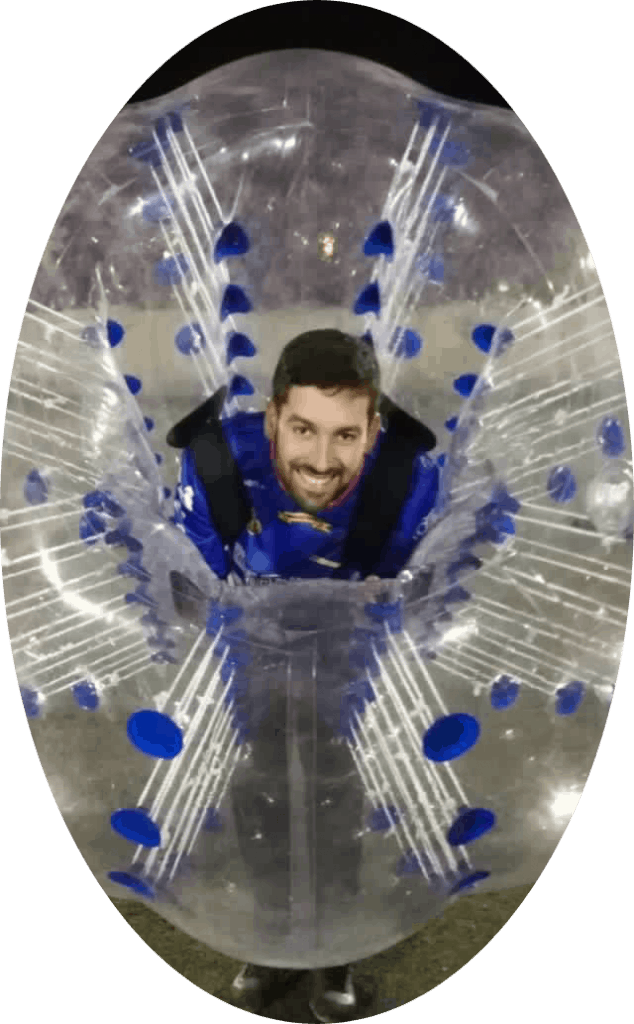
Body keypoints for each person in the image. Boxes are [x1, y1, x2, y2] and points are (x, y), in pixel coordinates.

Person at [167, 329, 439, 1021]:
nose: (321, 461)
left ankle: (333, 951)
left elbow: (409, 592)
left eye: (346, 435)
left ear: (373, 429)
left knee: (332, 794)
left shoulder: (404, 478)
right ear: (272, 419)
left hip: (347, 661)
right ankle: (271, 945)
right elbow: (192, 582)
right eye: (303, 429)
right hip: (247, 655)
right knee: (261, 791)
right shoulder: (217, 460)